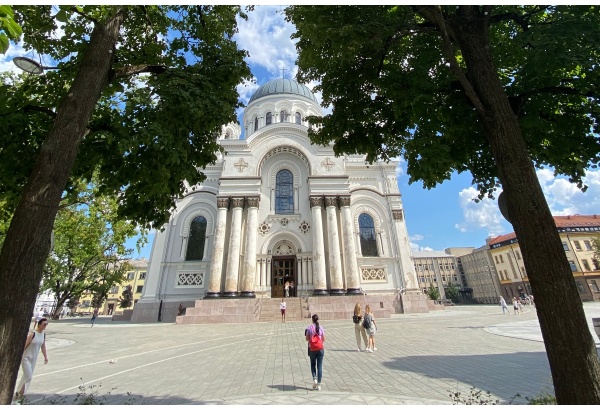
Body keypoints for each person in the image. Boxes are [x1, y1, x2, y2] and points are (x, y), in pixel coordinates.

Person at [14, 318, 49, 404]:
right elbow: (24, 345)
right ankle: (19, 394)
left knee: (25, 377)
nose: (45, 326)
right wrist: (19, 356)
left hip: (34, 359)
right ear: (39, 324)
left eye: (46, 325)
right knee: (29, 376)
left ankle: (18, 395)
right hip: (26, 358)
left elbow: (43, 346)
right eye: (44, 324)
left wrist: (45, 357)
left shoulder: (43, 335)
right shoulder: (32, 334)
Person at [305, 314, 325, 390]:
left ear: (312, 320)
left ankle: (315, 379)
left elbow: (307, 339)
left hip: (312, 349)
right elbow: (323, 339)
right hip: (320, 348)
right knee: (319, 366)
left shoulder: (309, 328)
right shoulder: (321, 327)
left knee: (313, 364)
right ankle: (319, 385)